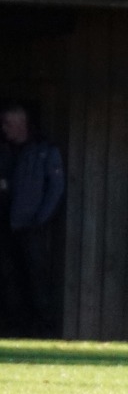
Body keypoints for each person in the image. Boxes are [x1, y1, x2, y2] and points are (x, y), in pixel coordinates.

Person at [0, 103, 65, 336]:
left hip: (30, 225)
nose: (3, 128)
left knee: (36, 276)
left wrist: (40, 219)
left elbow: (56, 188)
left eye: (7, 123)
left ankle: (43, 328)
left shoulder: (44, 150)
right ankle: (14, 327)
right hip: (5, 224)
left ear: (21, 124)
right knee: (8, 276)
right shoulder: (3, 150)